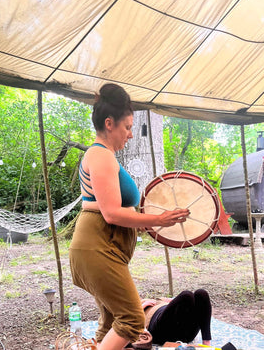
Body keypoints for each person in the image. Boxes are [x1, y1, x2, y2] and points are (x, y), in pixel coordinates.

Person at [69, 83, 190, 350]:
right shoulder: (100, 155)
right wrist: (160, 220)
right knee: (133, 319)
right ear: (109, 124)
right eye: (127, 127)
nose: (131, 135)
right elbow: (112, 213)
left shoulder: (106, 157)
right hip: (97, 245)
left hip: (103, 246)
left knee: (112, 318)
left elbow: (118, 210)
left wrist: (151, 221)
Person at [141, 289, 212, 346]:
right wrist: (142, 306)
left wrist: (172, 301)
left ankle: (206, 341)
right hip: (162, 332)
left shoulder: (159, 299)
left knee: (201, 293)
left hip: (186, 334)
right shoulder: (137, 304)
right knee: (186, 295)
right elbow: (130, 318)